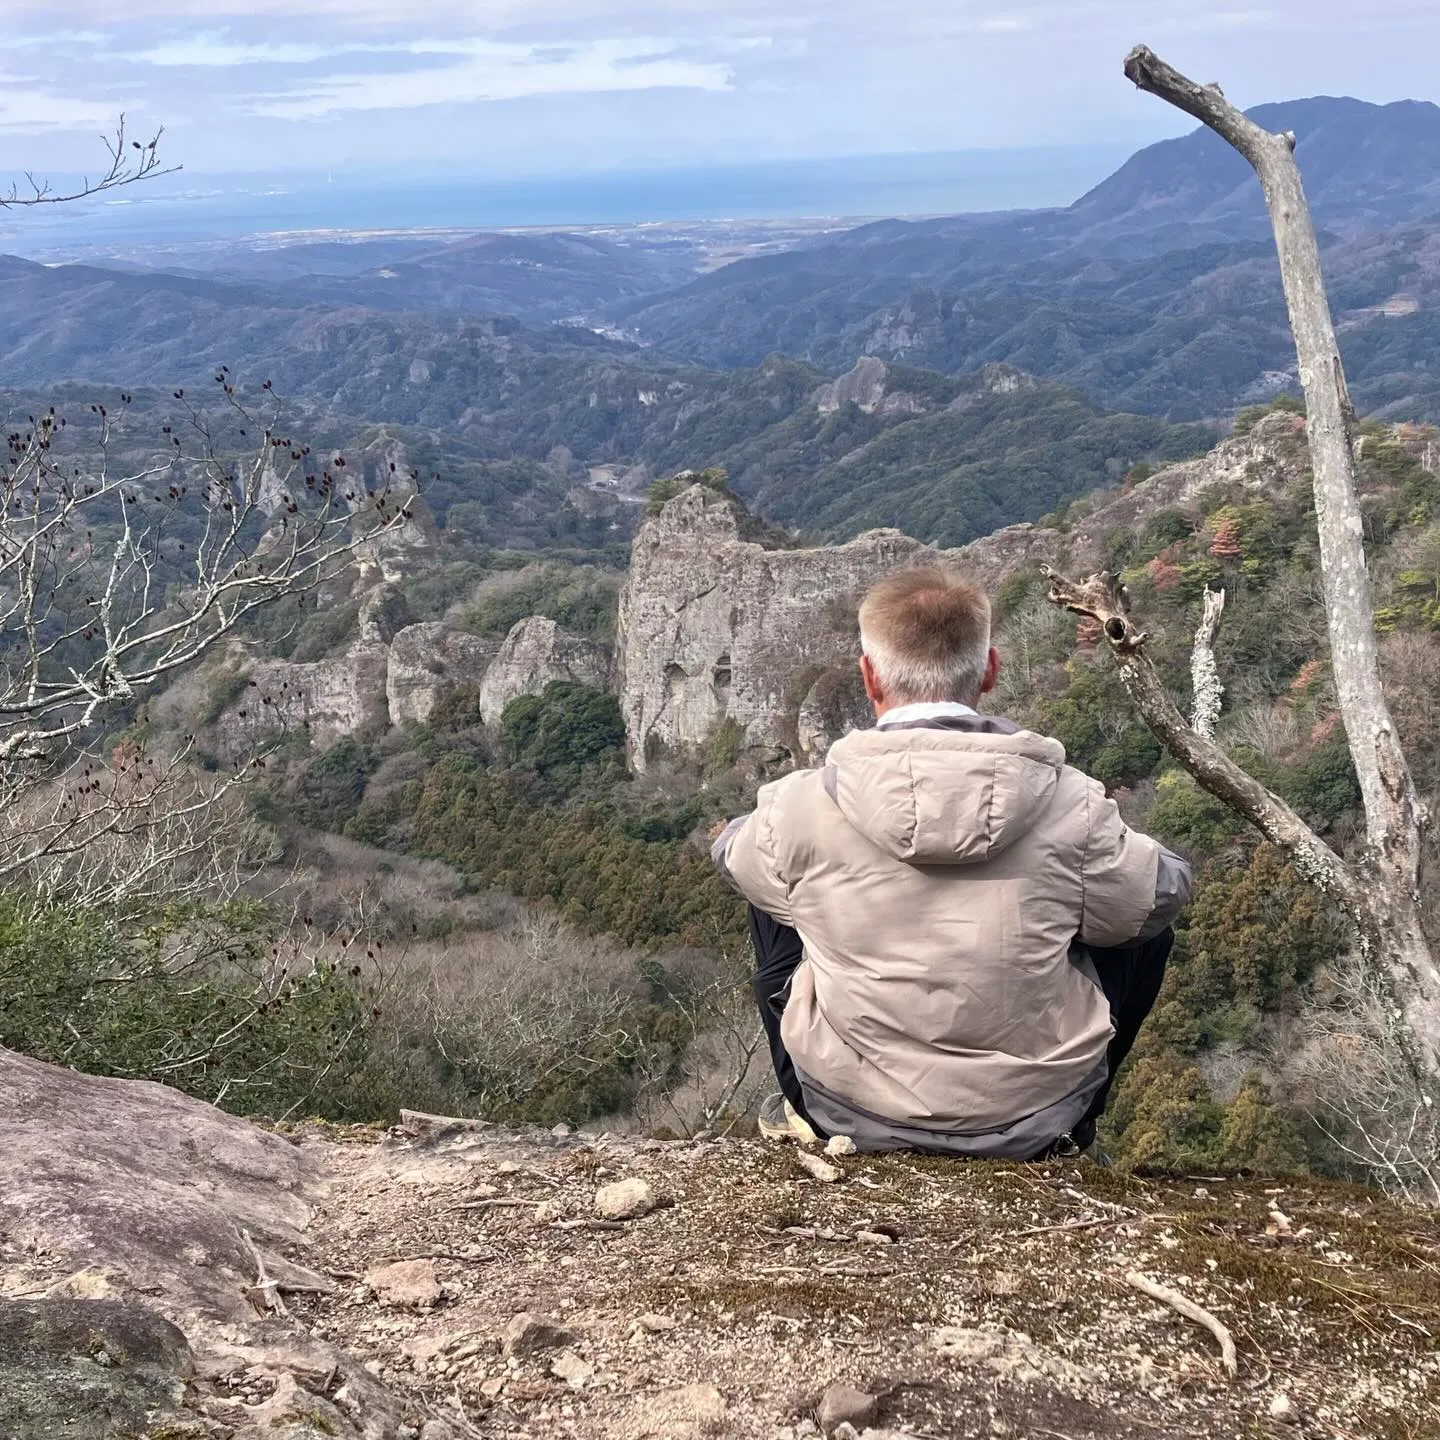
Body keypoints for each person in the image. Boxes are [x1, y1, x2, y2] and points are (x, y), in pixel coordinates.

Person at [710, 567, 1191, 1159]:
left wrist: (751, 830)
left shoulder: (800, 807)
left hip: (846, 1106)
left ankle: (803, 1113)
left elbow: (731, 854)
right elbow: (1164, 892)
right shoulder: (1073, 805)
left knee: (773, 888)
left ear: (869, 676)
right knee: (1136, 920)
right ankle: (1074, 1128)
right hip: (1033, 1115)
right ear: (990, 668)